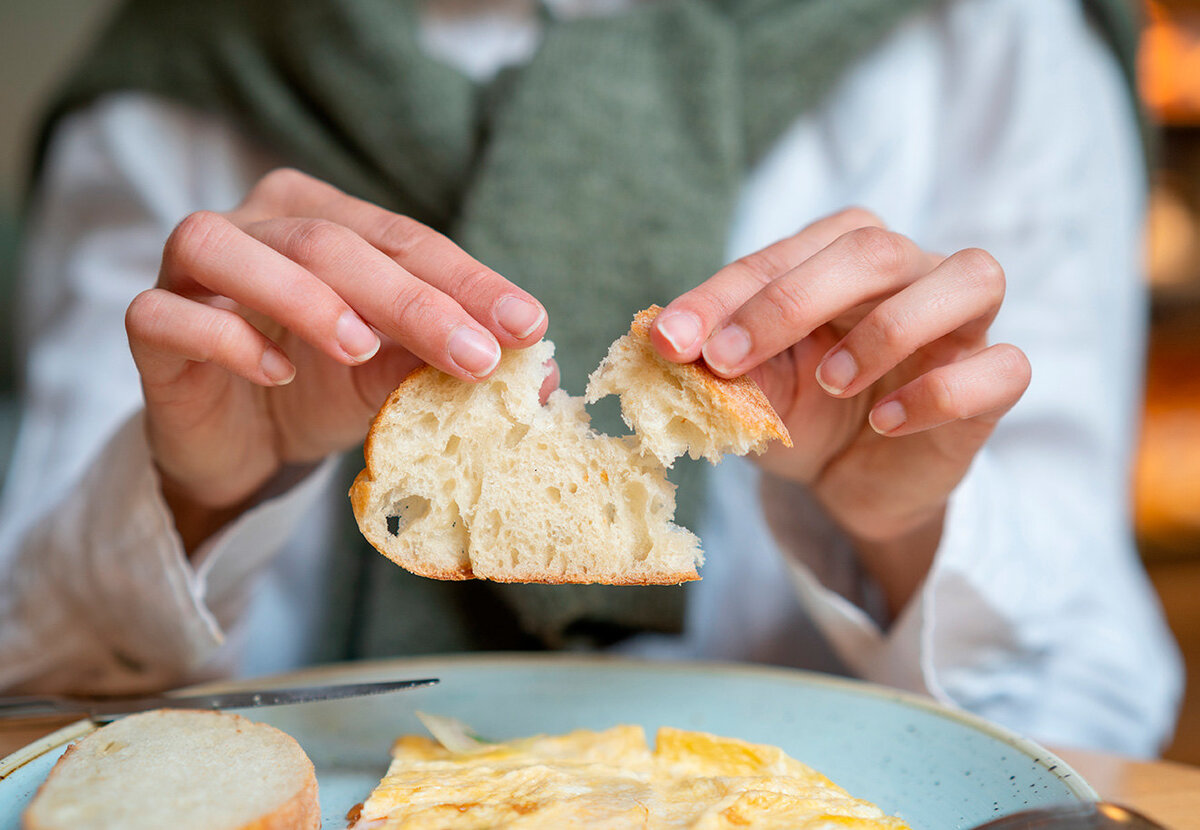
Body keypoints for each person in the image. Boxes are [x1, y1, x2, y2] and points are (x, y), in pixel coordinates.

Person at [0, 0, 1183, 757]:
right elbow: (31, 689)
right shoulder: (174, 75)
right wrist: (193, 498)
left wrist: (901, 527)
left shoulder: (997, 38)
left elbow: (1093, 705)